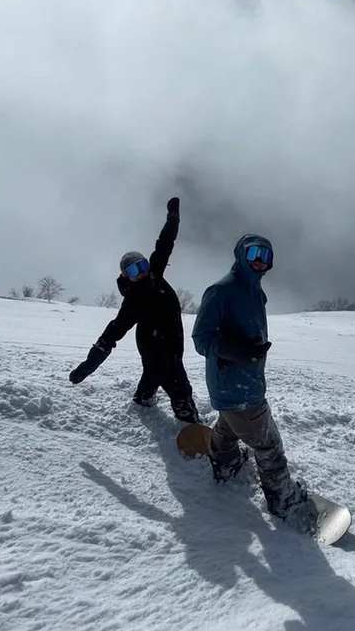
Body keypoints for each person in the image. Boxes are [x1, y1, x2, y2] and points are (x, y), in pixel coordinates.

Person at [192, 234, 316, 530]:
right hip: (235, 386)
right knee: (267, 443)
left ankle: (224, 462)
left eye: (266, 255)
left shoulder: (255, 292)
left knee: (230, 422)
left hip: (241, 383)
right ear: (240, 255)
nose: (260, 260)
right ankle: (281, 498)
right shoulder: (221, 291)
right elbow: (201, 339)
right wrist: (238, 352)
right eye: (254, 253)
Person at [68, 197, 201, 424]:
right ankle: (188, 421)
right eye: (133, 270)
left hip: (166, 341)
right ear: (124, 275)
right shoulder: (133, 302)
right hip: (156, 346)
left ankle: (143, 400)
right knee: (178, 385)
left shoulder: (154, 275)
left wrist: (172, 219)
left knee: (151, 374)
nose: (140, 272)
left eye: (142, 266)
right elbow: (111, 334)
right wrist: (88, 367)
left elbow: (165, 243)